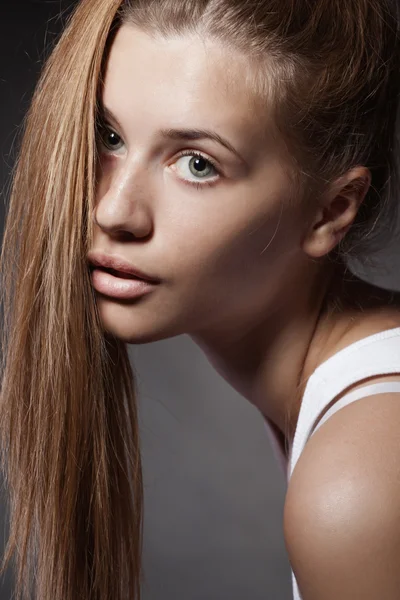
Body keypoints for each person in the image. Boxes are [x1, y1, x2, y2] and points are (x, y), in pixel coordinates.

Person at [1, 0, 400, 598]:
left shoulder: (359, 486)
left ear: (331, 210)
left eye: (196, 164)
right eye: (108, 136)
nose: (113, 211)